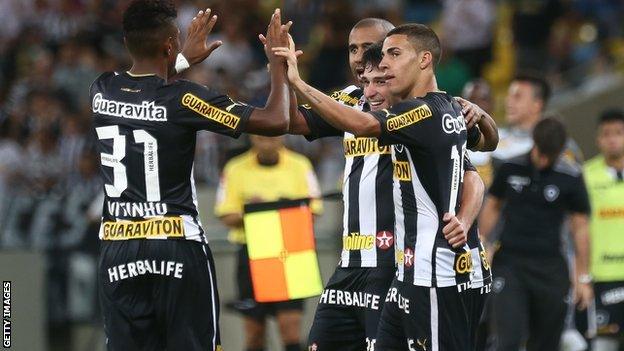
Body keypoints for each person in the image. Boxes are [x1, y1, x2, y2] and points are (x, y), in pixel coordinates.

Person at [277, 20, 497, 350]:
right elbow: (291, 121)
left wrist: (296, 80)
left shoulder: (422, 111)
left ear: (420, 59)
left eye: (387, 54)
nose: (370, 62)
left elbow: (472, 173)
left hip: (419, 268)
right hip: (382, 267)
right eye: (354, 50)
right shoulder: (355, 101)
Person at [92, 1, 292, 350]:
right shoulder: (184, 98)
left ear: (126, 42)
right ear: (169, 44)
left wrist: (179, 58)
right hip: (175, 245)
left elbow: (145, 94)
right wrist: (277, 64)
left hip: (118, 248)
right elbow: (275, 121)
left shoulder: (102, 90)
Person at [479, 118, 593, 351]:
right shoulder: (510, 167)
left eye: (549, 156)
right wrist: (482, 241)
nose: (542, 160)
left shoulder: (570, 176)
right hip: (510, 264)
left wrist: (582, 277)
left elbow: (580, 226)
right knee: (507, 341)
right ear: (534, 143)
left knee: (546, 344)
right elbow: (492, 205)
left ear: (560, 152)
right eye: (540, 152)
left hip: (551, 268)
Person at [214, 135, 323, 351]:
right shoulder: (236, 168)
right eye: (261, 137)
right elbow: (225, 215)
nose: (267, 142)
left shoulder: (300, 165)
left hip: (291, 254)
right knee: (254, 333)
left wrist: (274, 210)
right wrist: (259, 212)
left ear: (282, 136)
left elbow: (314, 211)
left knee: (290, 328)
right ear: (253, 138)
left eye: (272, 136)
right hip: (252, 254)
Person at [582, 109, 624, 351]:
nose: (612, 139)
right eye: (606, 134)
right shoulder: (586, 176)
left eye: (618, 133)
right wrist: (582, 276)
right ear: (598, 139)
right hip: (601, 277)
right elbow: (577, 228)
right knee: (603, 345)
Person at [492, 73, 583, 169]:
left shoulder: (558, 144)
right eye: (509, 96)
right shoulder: (495, 140)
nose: (508, 101)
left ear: (537, 104)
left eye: (517, 96)